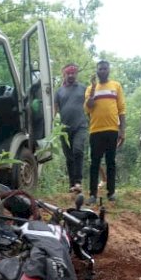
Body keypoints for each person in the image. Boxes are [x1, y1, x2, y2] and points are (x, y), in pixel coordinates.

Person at [84, 60, 126, 205]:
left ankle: (111, 192)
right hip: (95, 130)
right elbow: (88, 108)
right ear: (97, 71)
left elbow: (121, 109)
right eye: (100, 69)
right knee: (94, 163)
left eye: (105, 69)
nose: (102, 71)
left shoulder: (116, 86)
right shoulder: (90, 88)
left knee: (111, 162)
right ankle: (93, 195)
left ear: (109, 70)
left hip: (112, 130)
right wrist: (93, 91)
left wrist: (122, 130)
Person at [54, 63, 88, 192]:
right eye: (68, 73)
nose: (71, 75)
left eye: (73, 73)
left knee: (78, 150)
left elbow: (91, 105)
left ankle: (78, 182)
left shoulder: (83, 89)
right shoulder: (59, 91)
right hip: (64, 129)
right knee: (69, 157)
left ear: (76, 74)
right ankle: (72, 184)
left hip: (80, 126)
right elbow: (55, 109)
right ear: (64, 74)